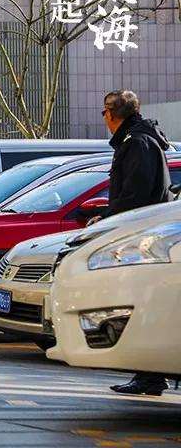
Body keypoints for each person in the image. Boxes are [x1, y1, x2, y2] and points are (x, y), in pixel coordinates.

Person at [97, 90, 172, 396]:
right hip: (146, 235)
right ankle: (149, 373)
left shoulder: (137, 143)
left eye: (104, 111)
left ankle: (151, 375)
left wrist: (108, 220)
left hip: (143, 238)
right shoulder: (136, 139)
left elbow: (135, 196)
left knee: (145, 304)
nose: (103, 118)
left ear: (114, 114)